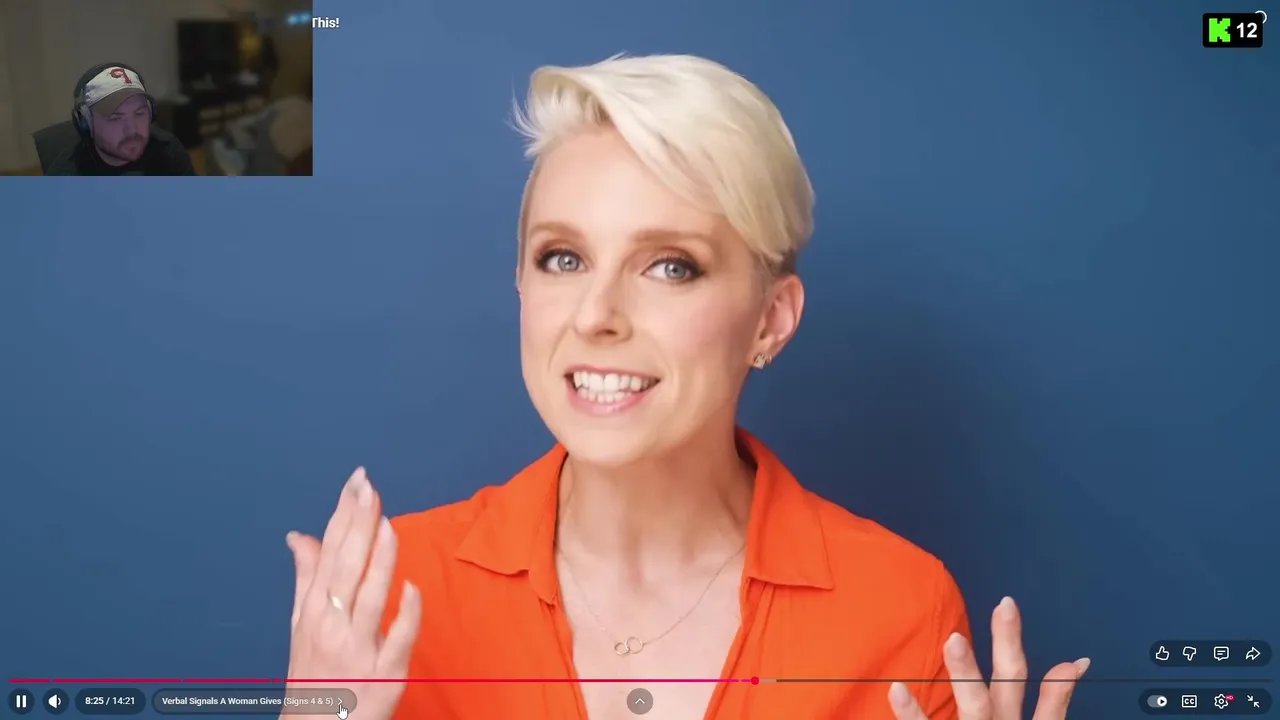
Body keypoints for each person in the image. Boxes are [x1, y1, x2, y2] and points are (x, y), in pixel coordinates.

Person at [281, 54, 1090, 719]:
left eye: (671, 267)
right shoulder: (390, 593)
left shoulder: (900, 608)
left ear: (771, 320)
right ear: (521, 284)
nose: (596, 315)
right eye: (563, 258)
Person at [37, 63, 195, 176]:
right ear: (86, 123)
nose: (132, 129)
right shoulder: (65, 177)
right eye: (115, 118)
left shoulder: (168, 152)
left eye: (139, 113)